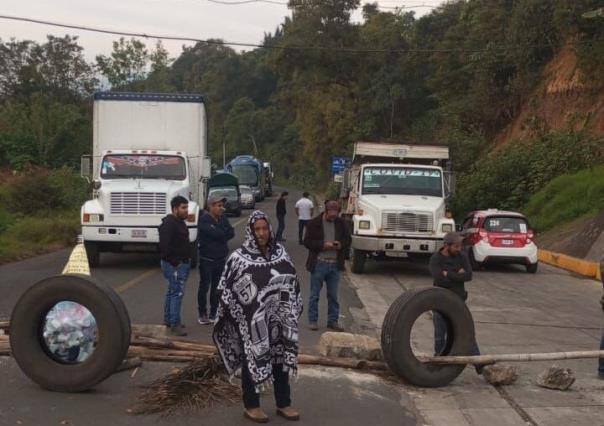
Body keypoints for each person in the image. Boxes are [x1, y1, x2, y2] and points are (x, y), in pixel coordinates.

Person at [213, 211, 302, 423]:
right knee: (252, 359)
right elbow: (224, 290)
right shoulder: (238, 259)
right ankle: (251, 405)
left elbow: (293, 281)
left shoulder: (281, 252)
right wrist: (239, 317)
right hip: (250, 322)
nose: (262, 233)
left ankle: (284, 403)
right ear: (250, 232)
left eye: (265, 228)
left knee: (280, 359)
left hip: (280, 321)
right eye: (257, 229)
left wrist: (290, 308)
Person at [429, 232, 483, 373]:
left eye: (460, 246)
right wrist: (457, 274)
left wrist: (448, 273)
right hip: (440, 302)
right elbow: (439, 279)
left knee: (466, 332)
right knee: (440, 336)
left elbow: (468, 275)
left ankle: (479, 364)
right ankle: (438, 363)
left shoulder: (462, 256)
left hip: (458, 301)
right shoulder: (436, 259)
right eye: (456, 246)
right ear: (447, 245)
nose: (460, 249)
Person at [304, 200, 350, 332]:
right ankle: (313, 320)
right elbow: (307, 242)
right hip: (319, 262)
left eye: (336, 213)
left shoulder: (342, 223)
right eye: (331, 213)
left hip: (334, 264)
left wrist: (340, 245)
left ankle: (333, 320)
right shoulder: (314, 223)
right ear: (326, 210)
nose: (333, 216)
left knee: (333, 295)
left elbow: (348, 239)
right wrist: (323, 245)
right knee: (314, 295)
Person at [197, 194, 235, 325]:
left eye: (222, 205)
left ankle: (214, 312)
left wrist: (221, 233)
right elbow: (216, 233)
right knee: (204, 286)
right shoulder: (204, 219)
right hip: (207, 259)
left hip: (220, 259)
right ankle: (202, 313)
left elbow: (231, 232)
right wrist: (221, 233)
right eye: (219, 205)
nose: (222, 208)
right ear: (211, 206)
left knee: (217, 287)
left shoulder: (223, 219)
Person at [159, 195, 191, 337]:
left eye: (187, 207)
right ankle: (175, 324)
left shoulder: (180, 222)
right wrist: (176, 262)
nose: (186, 210)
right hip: (174, 266)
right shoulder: (169, 224)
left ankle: (168, 320)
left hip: (181, 263)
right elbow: (164, 247)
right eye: (183, 208)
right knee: (177, 292)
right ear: (175, 208)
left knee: (172, 291)